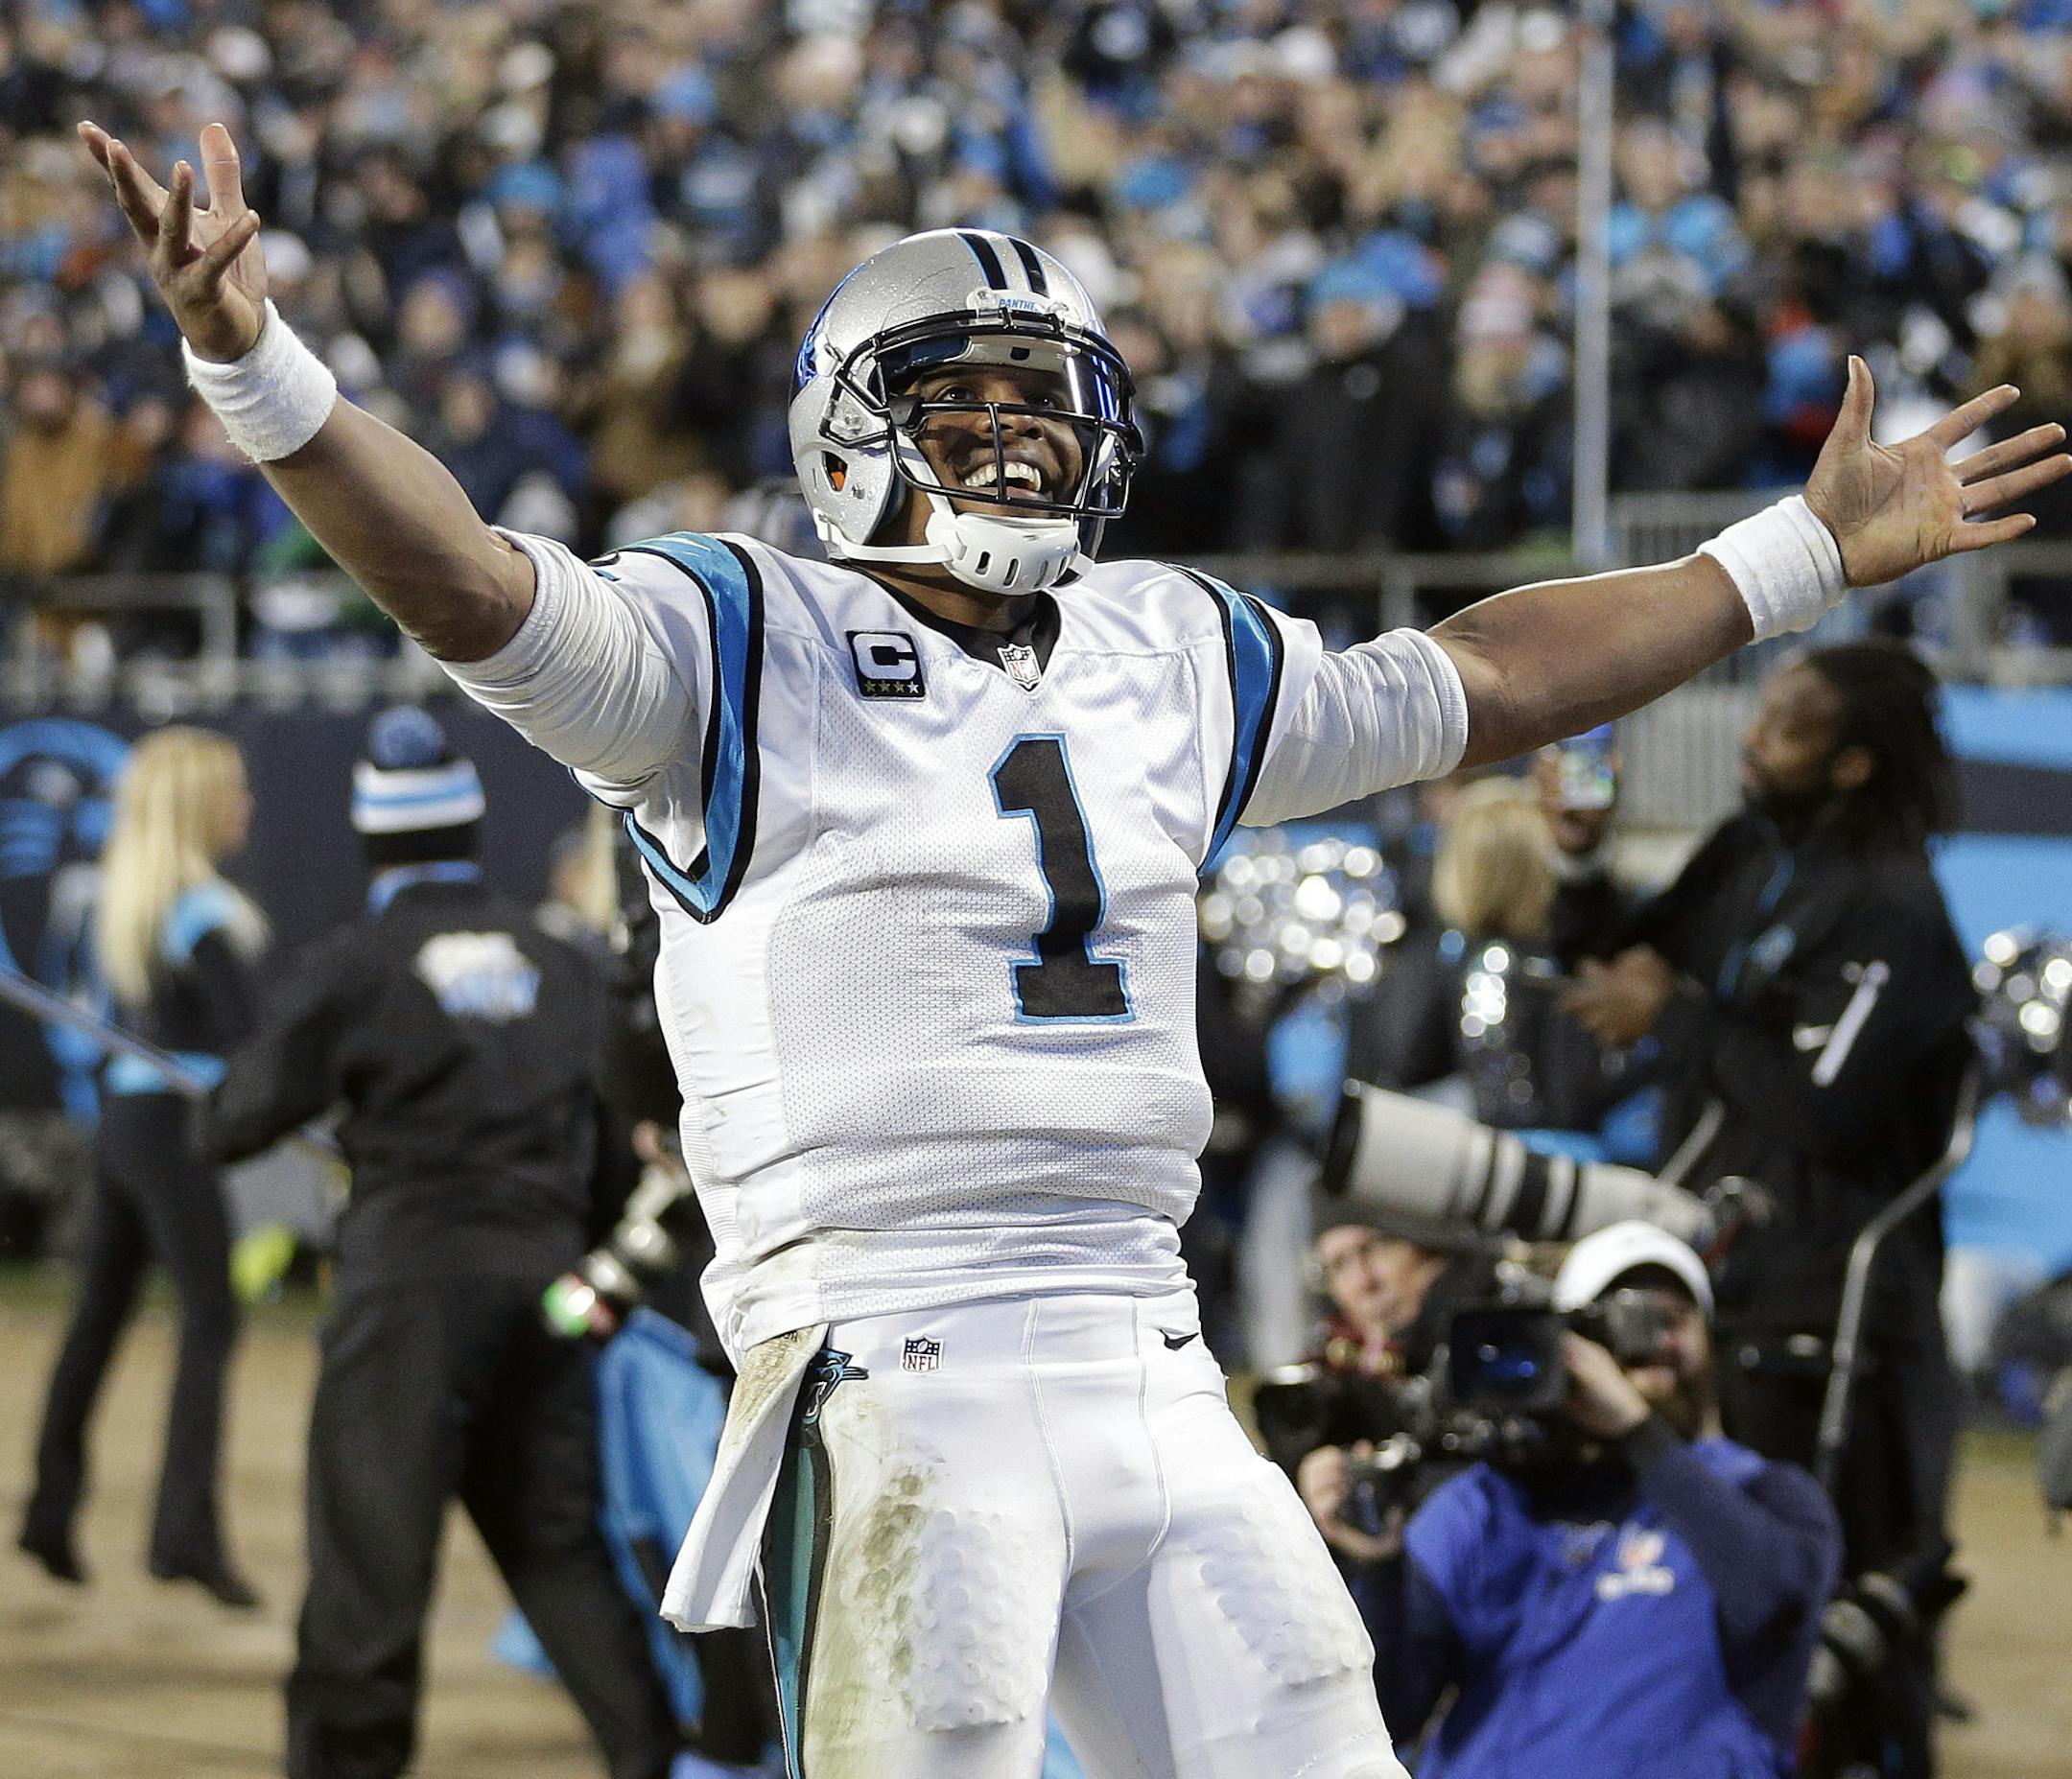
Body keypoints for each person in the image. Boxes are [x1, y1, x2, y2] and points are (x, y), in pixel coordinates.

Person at [81, 115, 2067, 1779]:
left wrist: (1787, 557)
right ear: (857, 430)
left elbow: (1467, 676)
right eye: (969, 396)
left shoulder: (1164, 648)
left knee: (1320, 1731)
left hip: (1148, 1351)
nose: (1022, 437)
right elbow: (468, 578)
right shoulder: (731, 640)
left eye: (1047, 399)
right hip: (888, 1368)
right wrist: (260, 365)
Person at [198, 709, 685, 1779]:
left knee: (371, 1568)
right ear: (470, 827)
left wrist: (242, 1089)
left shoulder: (357, 965)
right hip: (550, 1296)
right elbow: (609, 1168)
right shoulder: (559, 968)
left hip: (409, 1300)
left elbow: (231, 1124)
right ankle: (656, 1760)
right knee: (559, 1552)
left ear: (373, 837)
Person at [1565, 642, 1975, 1587]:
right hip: (1711, 1277)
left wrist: (1672, 1012)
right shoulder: (1749, 851)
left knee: (1839, 1609)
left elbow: (1820, 1107)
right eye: (1762, 712)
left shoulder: (1897, 912)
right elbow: (1613, 962)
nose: (1753, 739)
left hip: (1833, 1321)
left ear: (1854, 763)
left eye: (1789, 729)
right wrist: (1579, 857)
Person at [1362, 1222, 1842, 1779]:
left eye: (1675, 1318)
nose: (1657, 1339)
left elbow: (1776, 1600)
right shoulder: (1486, 1505)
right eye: (1627, 1318)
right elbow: (1388, 1715)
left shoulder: (1763, 1494)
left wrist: (1640, 1434)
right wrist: (1377, 1567)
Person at [18, 726, 265, 1605]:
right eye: (233, 792)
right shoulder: (199, 914)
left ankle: (51, 1509)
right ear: (201, 808)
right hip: (171, 1125)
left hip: (126, 1120)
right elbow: (252, 1042)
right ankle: (183, 1532)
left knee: (100, 1313)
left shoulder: (134, 901)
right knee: (211, 1316)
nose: (247, 807)